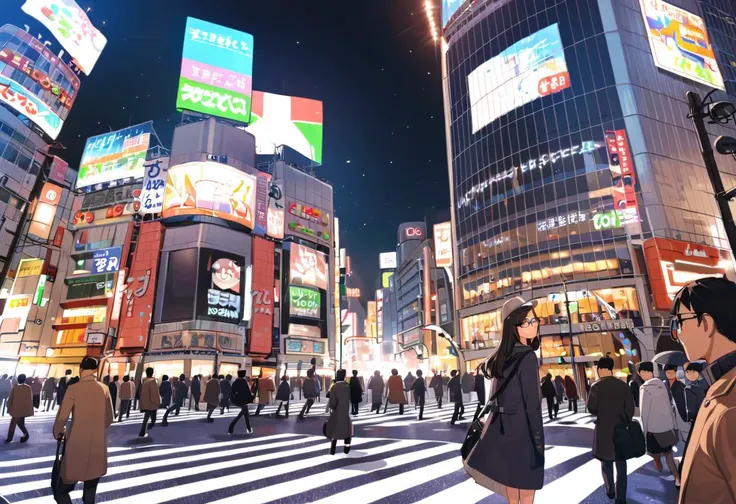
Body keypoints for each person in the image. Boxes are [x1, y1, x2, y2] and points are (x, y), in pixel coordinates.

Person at [464, 296, 545, 504]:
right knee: (527, 486)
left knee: (512, 486)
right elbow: (532, 404)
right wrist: (538, 440)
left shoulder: (500, 357)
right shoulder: (527, 357)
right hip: (523, 433)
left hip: (501, 430)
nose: (532, 325)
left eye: (534, 320)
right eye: (526, 322)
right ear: (513, 326)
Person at [670, 277, 736, 503]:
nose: (677, 333)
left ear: (706, 323)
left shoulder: (730, 407)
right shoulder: (721, 386)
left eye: (680, 322)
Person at [52, 356, 113, 504]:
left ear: (81, 369)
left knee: (61, 491)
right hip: (97, 446)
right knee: (90, 493)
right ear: (95, 370)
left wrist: (59, 432)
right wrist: (96, 428)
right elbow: (109, 417)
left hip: (76, 445)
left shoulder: (73, 389)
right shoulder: (104, 389)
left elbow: (62, 417)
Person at [587, 356, 635, 504]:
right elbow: (630, 409)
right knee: (621, 466)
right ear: (611, 369)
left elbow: (591, 408)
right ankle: (621, 497)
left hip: (604, 431)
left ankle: (610, 491)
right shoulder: (623, 386)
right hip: (620, 430)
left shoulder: (596, 387)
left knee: (606, 463)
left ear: (600, 369)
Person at [638, 361, 680, 486]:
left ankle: (659, 467)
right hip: (665, 426)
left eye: (642, 372)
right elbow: (668, 404)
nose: (642, 375)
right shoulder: (661, 384)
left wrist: (644, 430)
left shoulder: (644, 388)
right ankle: (677, 478)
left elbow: (644, 412)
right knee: (668, 454)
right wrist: (673, 424)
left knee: (654, 451)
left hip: (653, 428)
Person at [325, 369, 353, 455]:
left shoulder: (334, 387)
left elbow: (332, 403)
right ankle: (346, 448)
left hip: (336, 412)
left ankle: (333, 450)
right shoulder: (348, 386)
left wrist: (331, 408)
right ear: (344, 376)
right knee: (347, 430)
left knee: (335, 431)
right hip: (345, 411)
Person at [4, 373, 33, 443]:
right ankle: (26, 435)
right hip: (24, 409)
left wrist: (8, 406)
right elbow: (30, 399)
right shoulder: (28, 388)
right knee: (20, 423)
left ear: (18, 380)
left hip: (16, 409)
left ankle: (9, 438)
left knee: (13, 423)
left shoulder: (15, 387)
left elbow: (11, 398)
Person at [229, 370, 254, 434]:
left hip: (237, 400)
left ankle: (249, 429)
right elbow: (247, 392)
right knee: (242, 415)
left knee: (246, 415)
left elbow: (232, 391)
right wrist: (251, 398)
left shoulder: (235, 382)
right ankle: (231, 427)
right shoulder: (244, 382)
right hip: (243, 401)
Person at [138, 368, 160, 437]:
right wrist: (157, 402)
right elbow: (154, 393)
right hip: (152, 403)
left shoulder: (144, 381)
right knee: (153, 419)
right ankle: (147, 429)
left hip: (145, 402)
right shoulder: (153, 381)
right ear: (152, 372)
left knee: (146, 418)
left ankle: (142, 432)